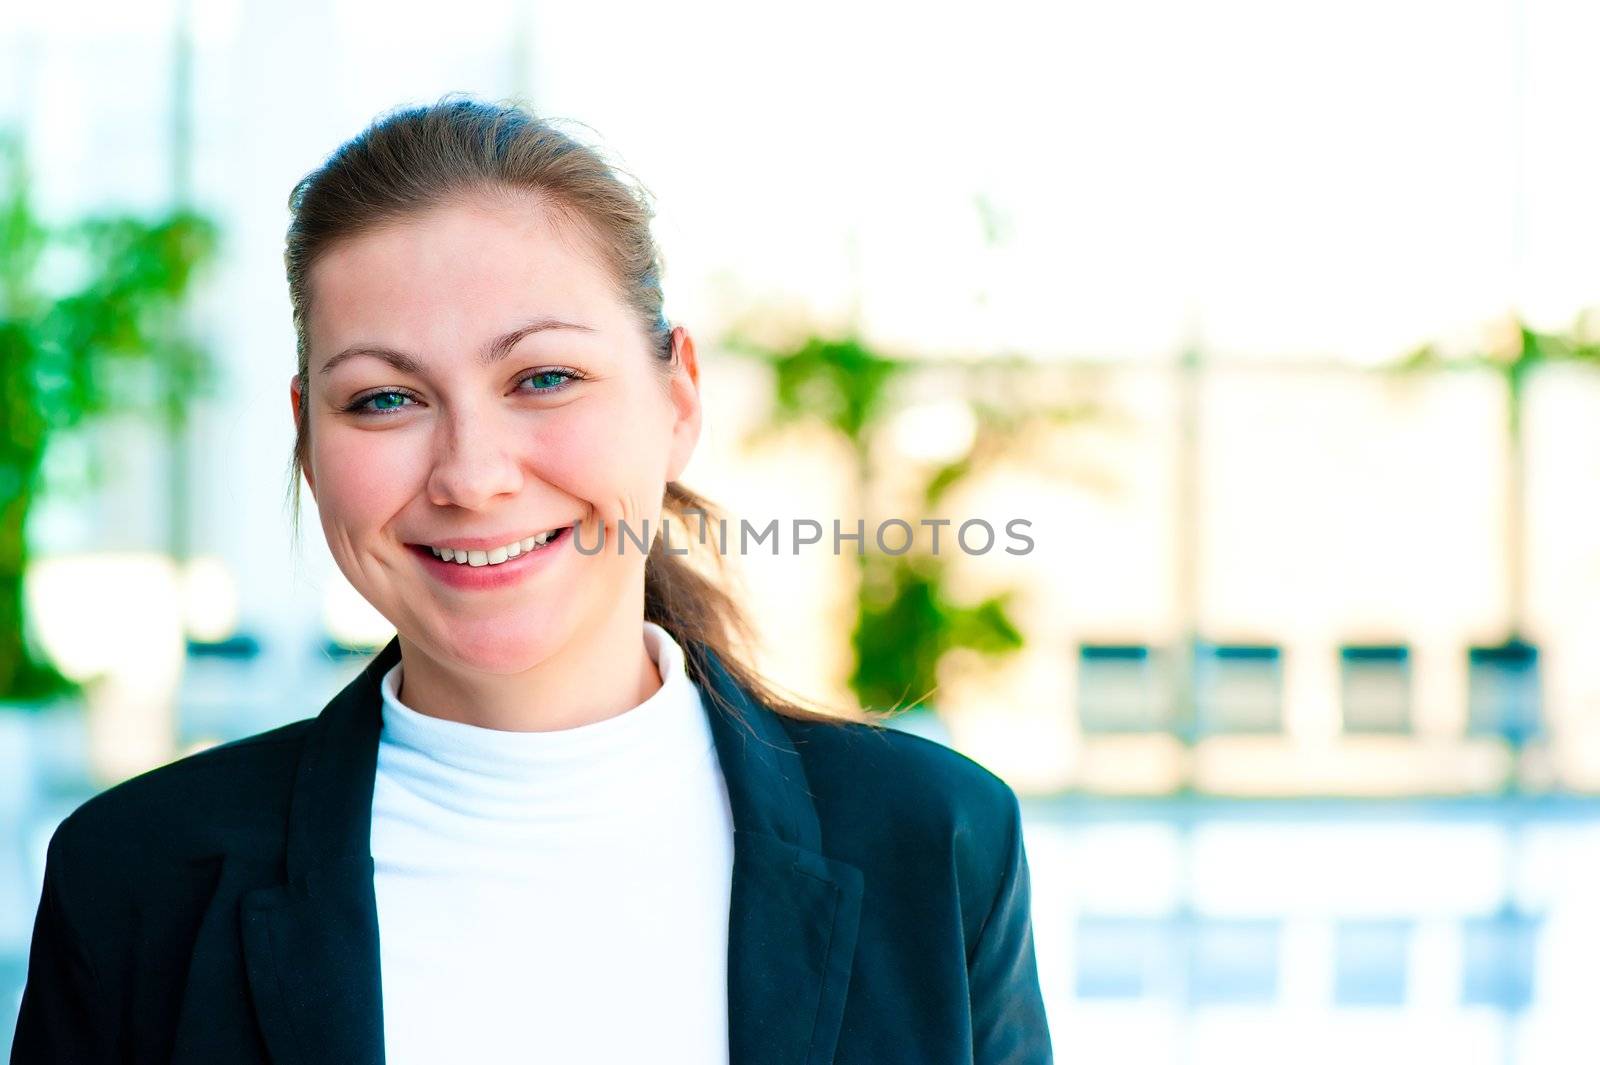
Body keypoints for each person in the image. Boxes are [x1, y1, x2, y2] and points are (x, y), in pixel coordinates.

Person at [9, 96, 1053, 1065]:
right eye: (382, 399)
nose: (471, 475)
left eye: (543, 378)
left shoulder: (934, 840)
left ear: (677, 399)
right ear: (307, 439)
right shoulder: (139, 878)